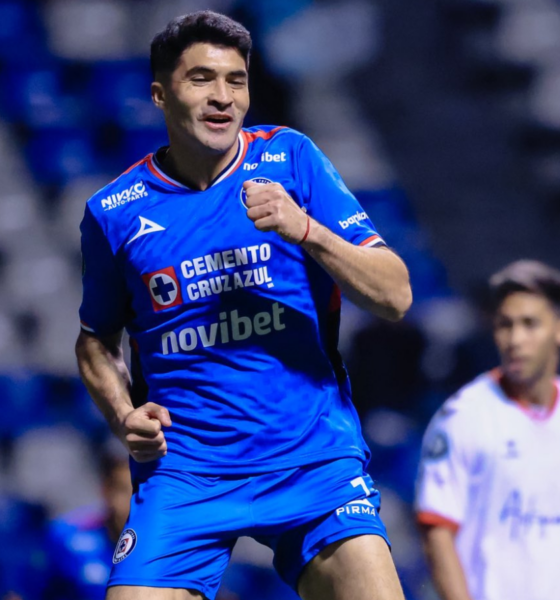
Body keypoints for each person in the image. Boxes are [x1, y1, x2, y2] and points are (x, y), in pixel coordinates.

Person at [75, 11, 412, 600]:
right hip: (186, 472)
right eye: (201, 78)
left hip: (312, 461)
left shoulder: (292, 160)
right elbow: (94, 341)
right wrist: (123, 415)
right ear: (160, 94)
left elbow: (396, 294)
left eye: (236, 80)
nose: (223, 97)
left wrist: (305, 229)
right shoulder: (114, 212)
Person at [415, 260, 560, 600]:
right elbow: (436, 532)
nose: (515, 339)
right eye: (505, 325)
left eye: (530, 324)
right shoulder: (462, 416)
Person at [44, 448, 132, 600]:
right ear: (106, 491)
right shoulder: (65, 537)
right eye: (123, 490)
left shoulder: (169, 548)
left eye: (143, 490)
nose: (133, 503)